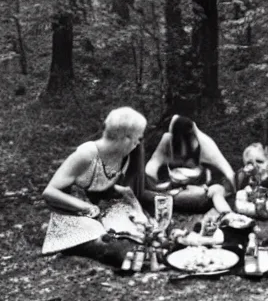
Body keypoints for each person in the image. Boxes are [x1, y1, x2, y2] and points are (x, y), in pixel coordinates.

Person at [43, 108, 150, 258]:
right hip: (74, 214)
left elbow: (124, 189)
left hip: (102, 211)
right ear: (125, 138)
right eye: (137, 139)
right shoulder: (87, 154)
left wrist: (137, 211)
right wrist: (86, 207)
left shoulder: (124, 156)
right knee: (122, 251)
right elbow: (50, 192)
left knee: (141, 236)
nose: (138, 143)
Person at [145, 114, 237, 216]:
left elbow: (228, 171)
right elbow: (154, 163)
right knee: (149, 191)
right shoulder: (167, 140)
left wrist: (229, 192)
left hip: (199, 189)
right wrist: (149, 180)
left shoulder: (205, 145)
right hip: (174, 187)